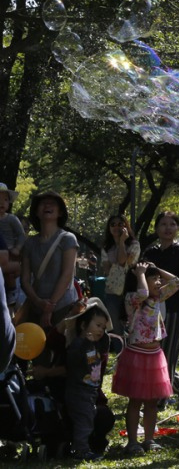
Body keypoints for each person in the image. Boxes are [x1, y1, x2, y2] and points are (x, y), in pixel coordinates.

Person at [111, 261, 179, 455]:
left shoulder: (158, 297)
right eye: (154, 279)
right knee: (135, 400)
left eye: (158, 279)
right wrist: (141, 273)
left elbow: (177, 282)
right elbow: (142, 293)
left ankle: (149, 439)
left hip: (154, 355)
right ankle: (133, 442)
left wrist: (156, 269)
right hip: (137, 355)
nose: (159, 282)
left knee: (152, 401)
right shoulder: (132, 299)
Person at [142, 210, 179, 407]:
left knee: (168, 354)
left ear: (178, 228)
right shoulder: (150, 253)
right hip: (151, 310)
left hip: (175, 310)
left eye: (172, 224)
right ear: (156, 228)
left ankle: (161, 396)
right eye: (164, 224)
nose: (168, 228)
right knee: (153, 353)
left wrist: (171, 286)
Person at [19, 191, 80, 328]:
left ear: (60, 212)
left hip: (63, 308)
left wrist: (50, 306)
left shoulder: (68, 239)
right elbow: (25, 280)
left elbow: (67, 274)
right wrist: (38, 301)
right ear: (36, 212)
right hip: (36, 308)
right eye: (43, 203)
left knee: (60, 347)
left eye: (52, 203)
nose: (47, 205)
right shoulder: (29, 243)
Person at [62, 298, 111, 461]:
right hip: (78, 392)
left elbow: (105, 346)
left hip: (89, 392)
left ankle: (83, 447)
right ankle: (80, 451)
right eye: (98, 326)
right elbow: (72, 361)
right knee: (84, 423)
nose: (101, 330)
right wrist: (85, 343)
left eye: (103, 327)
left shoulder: (96, 345)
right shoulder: (78, 344)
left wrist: (102, 337)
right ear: (83, 325)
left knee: (88, 421)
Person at [100, 215, 140, 340]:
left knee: (131, 325)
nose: (116, 227)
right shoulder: (106, 247)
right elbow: (107, 269)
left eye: (120, 224)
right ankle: (120, 356)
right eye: (113, 224)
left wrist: (122, 242)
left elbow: (122, 262)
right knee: (116, 327)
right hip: (112, 291)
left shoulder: (134, 244)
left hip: (130, 290)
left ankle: (132, 355)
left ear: (126, 226)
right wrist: (119, 265)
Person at [0, 182, 25, 288]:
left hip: (10, 251)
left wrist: (17, 248)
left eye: (5, 199)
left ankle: (12, 294)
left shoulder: (12, 219)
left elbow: (21, 234)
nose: (2, 202)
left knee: (10, 275)